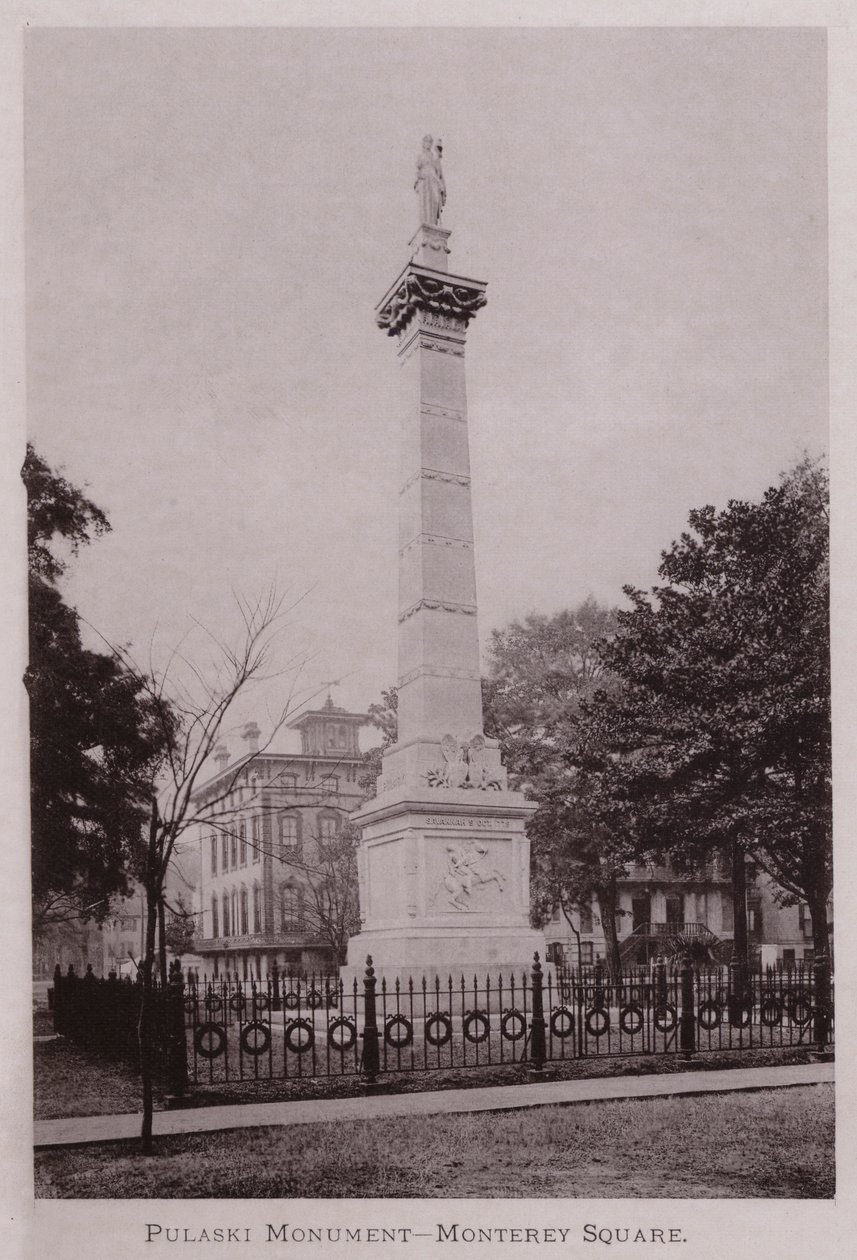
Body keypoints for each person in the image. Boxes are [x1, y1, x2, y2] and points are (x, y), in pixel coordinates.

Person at [415, 134, 446, 226]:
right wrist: (419, 176)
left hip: (433, 181)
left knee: (434, 201)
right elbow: (417, 170)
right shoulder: (421, 156)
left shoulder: (433, 157)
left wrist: (440, 183)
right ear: (423, 143)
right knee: (425, 201)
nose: (428, 144)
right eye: (426, 142)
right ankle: (426, 222)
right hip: (425, 181)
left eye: (430, 142)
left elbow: (436, 171)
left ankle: (432, 222)